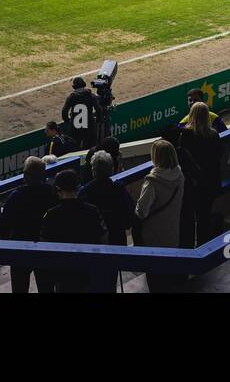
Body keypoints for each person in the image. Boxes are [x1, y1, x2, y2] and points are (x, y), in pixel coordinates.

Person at [39, 169, 107, 292]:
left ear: (58, 190)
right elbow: (103, 237)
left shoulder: (51, 215)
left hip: (62, 274)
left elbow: (44, 243)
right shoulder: (92, 211)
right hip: (88, 270)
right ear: (77, 187)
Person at [0, 156, 58, 293]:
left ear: (25, 175)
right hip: (45, 247)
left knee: (19, 287)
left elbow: (4, 224)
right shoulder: (52, 193)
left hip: (20, 248)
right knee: (47, 287)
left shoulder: (16, 196)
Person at [135, 139, 185, 292]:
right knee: (168, 275)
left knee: (155, 278)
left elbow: (141, 211)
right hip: (172, 233)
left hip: (153, 238)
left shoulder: (152, 182)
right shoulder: (180, 175)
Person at [181, 101, 222, 242]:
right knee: (204, 215)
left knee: (189, 216)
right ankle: (203, 244)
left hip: (192, 183)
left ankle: (190, 246)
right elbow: (219, 155)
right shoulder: (214, 134)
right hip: (210, 182)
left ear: (191, 115)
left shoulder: (186, 134)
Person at [79, 150, 135, 248]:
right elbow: (129, 211)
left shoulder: (85, 191)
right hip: (117, 236)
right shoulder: (118, 188)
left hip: (94, 240)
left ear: (93, 170)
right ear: (111, 169)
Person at [61, 76, 99, 149]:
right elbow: (98, 109)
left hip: (75, 128)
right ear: (84, 85)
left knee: (74, 148)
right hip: (89, 127)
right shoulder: (90, 95)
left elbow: (64, 112)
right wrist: (98, 119)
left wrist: (68, 121)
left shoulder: (71, 97)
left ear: (74, 87)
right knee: (90, 148)